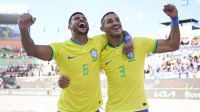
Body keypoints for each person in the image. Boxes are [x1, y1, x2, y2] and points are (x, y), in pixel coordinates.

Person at [59, 4, 180, 112]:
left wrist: (174, 20)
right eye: (110, 21)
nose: (115, 23)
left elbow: (173, 45)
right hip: (114, 109)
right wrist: (61, 82)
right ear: (102, 29)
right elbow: (82, 72)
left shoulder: (138, 43)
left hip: (140, 108)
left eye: (117, 20)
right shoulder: (101, 54)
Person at [18, 12, 133, 112]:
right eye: (77, 19)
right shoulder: (60, 48)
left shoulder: (99, 41)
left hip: (94, 109)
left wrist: (128, 40)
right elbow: (32, 50)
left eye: (84, 18)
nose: (82, 19)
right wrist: (23, 29)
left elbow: (119, 32)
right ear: (69, 27)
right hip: (68, 109)